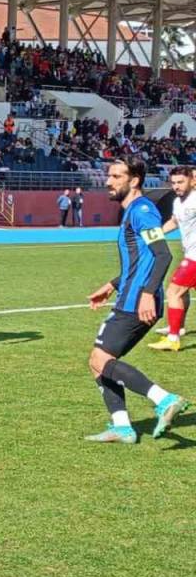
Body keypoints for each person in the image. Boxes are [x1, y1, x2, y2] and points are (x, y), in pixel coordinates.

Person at [85, 158, 188, 442]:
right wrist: (111, 284)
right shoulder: (135, 211)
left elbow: (163, 255)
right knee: (99, 362)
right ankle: (122, 427)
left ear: (134, 181)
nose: (109, 181)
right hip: (131, 295)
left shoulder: (142, 211)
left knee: (100, 358)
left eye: (117, 176)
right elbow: (140, 260)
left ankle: (164, 399)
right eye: (109, 175)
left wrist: (145, 294)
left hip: (135, 302)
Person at [148, 166, 196, 351]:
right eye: (173, 182)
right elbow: (175, 222)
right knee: (181, 292)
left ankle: (173, 338)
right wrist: (153, 235)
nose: (176, 186)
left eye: (180, 182)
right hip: (190, 254)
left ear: (192, 181)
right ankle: (178, 327)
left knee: (173, 292)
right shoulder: (177, 202)